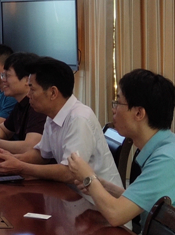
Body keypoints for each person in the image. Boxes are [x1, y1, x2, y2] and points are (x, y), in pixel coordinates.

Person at [0, 57, 122, 189]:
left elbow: (70, 173)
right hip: (71, 193)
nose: (28, 95)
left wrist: (21, 167)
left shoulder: (79, 118)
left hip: (97, 198)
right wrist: (11, 159)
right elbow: (42, 155)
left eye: (32, 89)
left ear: (53, 93)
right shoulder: (52, 115)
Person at [68, 69, 175, 227]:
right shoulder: (162, 148)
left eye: (118, 102)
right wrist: (103, 186)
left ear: (139, 113)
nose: (114, 109)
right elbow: (144, 200)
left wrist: (88, 177)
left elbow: (116, 215)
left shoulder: (167, 160)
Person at [0, 52, 46, 154]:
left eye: (7, 76)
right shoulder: (20, 104)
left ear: (27, 80)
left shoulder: (37, 107)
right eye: (3, 75)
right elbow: (3, 129)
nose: (3, 80)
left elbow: (30, 147)